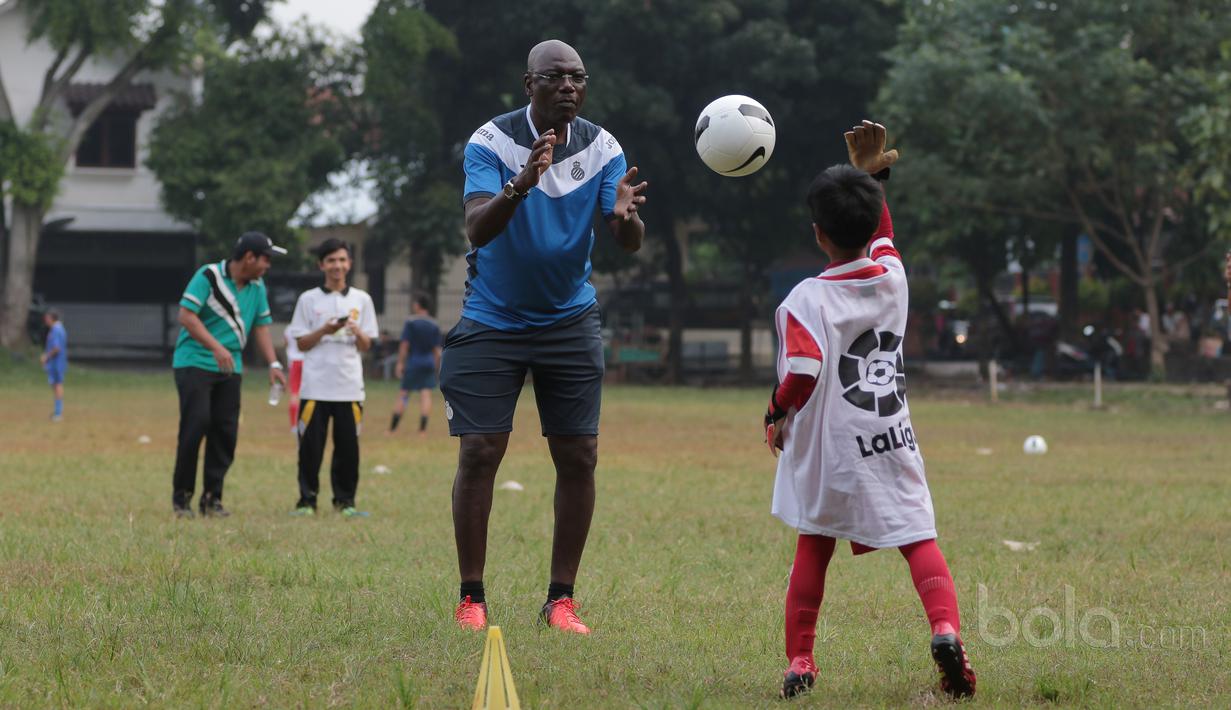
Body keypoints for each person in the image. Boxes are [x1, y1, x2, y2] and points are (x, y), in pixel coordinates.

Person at [764, 121, 976, 699]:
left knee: (814, 544)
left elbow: (802, 371)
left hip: (829, 450)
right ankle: (944, 628)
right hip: (889, 437)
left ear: (817, 235)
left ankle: (801, 662)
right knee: (918, 536)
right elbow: (881, 235)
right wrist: (872, 178)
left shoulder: (805, 298)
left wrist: (774, 412)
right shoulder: (894, 278)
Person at [443, 39, 648, 634]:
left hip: (568, 319)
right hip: (492, 319)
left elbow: (626, 240)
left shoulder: (603, 146)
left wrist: (628, 218)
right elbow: (478, 229)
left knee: (578, 455)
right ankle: (472, 598)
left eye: (578, 78)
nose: (569, 87)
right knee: (480, 449)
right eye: (555, 77)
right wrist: (521, 182)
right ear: (527, 84)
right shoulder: (491, 142)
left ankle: (561, 600)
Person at [172, 232, 287, 518]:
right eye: (266, 259)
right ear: (249, 257)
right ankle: (182, 498)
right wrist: (216, 347)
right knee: (196, 424)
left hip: (230, 369)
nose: (267, 266)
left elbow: (261, 327)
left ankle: (212, 499)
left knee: (225, 432)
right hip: (194, 363)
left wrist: (273, 364)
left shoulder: (257, 287)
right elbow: (186, 316)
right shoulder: (209, 276)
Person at [285, 239, 379, 518]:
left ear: (349, 264)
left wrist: (355, 330)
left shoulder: (362, 300)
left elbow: (367, 345)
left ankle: (345, 502)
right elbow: (301, 343)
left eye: (341, 260)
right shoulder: (309, 299)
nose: (337, 266)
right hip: (315, 386)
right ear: (321, 264)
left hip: (349, 387)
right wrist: (324, 329)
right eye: (331, 261)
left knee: (348, 448)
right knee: (310, 449)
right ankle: (306, 501)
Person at [390, 292, 442, 437]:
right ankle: (422, 430)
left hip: (413, 363)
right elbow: (437, 350)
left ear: (418, 305)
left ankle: (393, 429)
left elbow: (404, 345)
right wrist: (437, 366)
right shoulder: (434, 324)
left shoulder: (411, 322)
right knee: (426, 395)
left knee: (404, 394)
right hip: (428, 363)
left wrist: (400, 363)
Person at [40, 309, 68, 421]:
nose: (45, 320)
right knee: (56, 385)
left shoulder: (56, 330)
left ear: (52, 318)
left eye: (47, 318)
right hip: (56, 363)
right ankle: (57, 412)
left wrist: (46, 357)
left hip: (57, 363)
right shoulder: (58, 329)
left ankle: (58, 413)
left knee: (57, 385)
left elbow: (56, 348)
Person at [285, 330, 305, 435]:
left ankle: (294, 425)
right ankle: (304, 422)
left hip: (294, 361)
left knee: (294, 393)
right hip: (306, 360)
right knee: (307, 394)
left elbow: (286, 343)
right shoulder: (306, 327)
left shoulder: (288, 329)